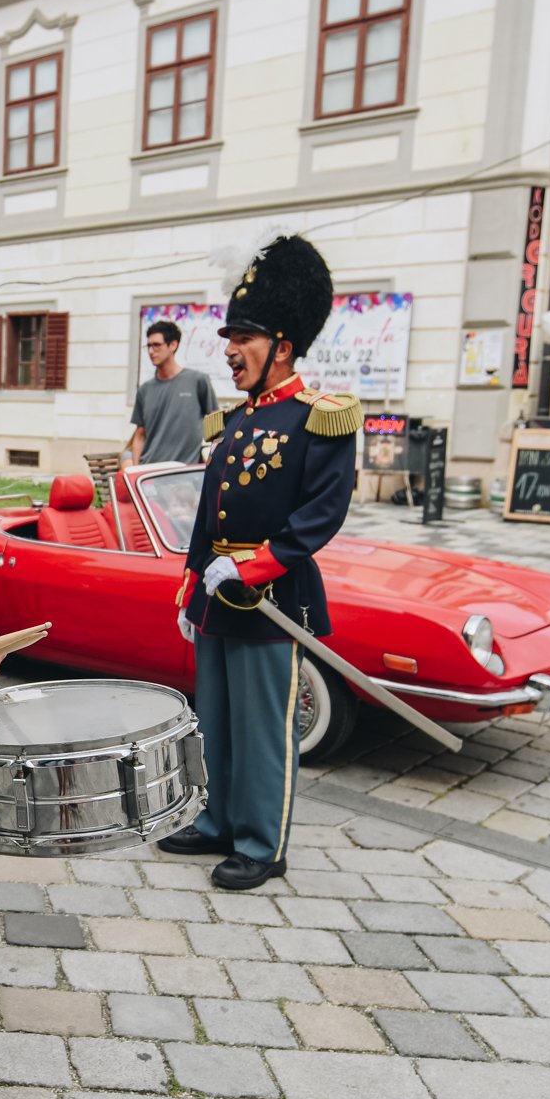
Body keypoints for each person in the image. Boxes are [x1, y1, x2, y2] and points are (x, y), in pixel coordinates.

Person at [162, 230, 356, 891]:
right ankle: (217, 819)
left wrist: (253, 566)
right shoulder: (234, 422)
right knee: (213, 719)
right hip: (216, 598)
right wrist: (194, 587)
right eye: (230, 336)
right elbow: (207, 510)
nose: (229, 349)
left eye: (242, 337)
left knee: (264, 729)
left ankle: (260, 842)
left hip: (272, 599)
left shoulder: (320, 419)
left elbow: (321, 516)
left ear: (283, 344)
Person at [126, 319, 218, 464]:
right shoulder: (144, 390)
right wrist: (136, 470)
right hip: (149, 474)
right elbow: (140, 435)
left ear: (173, 345)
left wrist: (214, 459)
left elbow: (215, 421)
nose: (151, 351)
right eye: (148, 346)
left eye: (156, 345)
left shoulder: (198, 380)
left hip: (184, 474)